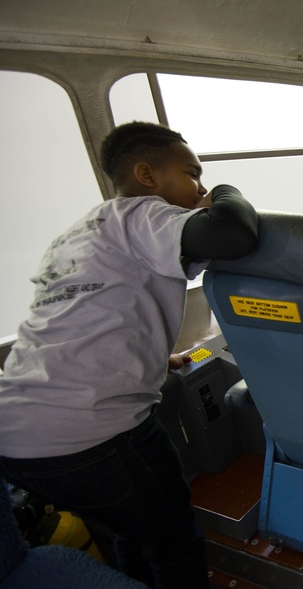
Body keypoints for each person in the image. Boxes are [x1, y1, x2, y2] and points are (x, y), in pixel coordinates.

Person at [0, 121, 259, 588]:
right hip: (85, 432)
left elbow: (87, 319)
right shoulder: (143, 214)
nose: (199, 188)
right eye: (192, 173)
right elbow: (231, 232)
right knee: (174, 541)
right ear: (146, 175)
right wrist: (224, 190)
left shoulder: (78, 234)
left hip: (17, 433)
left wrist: (161, 361)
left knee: (133, 529)